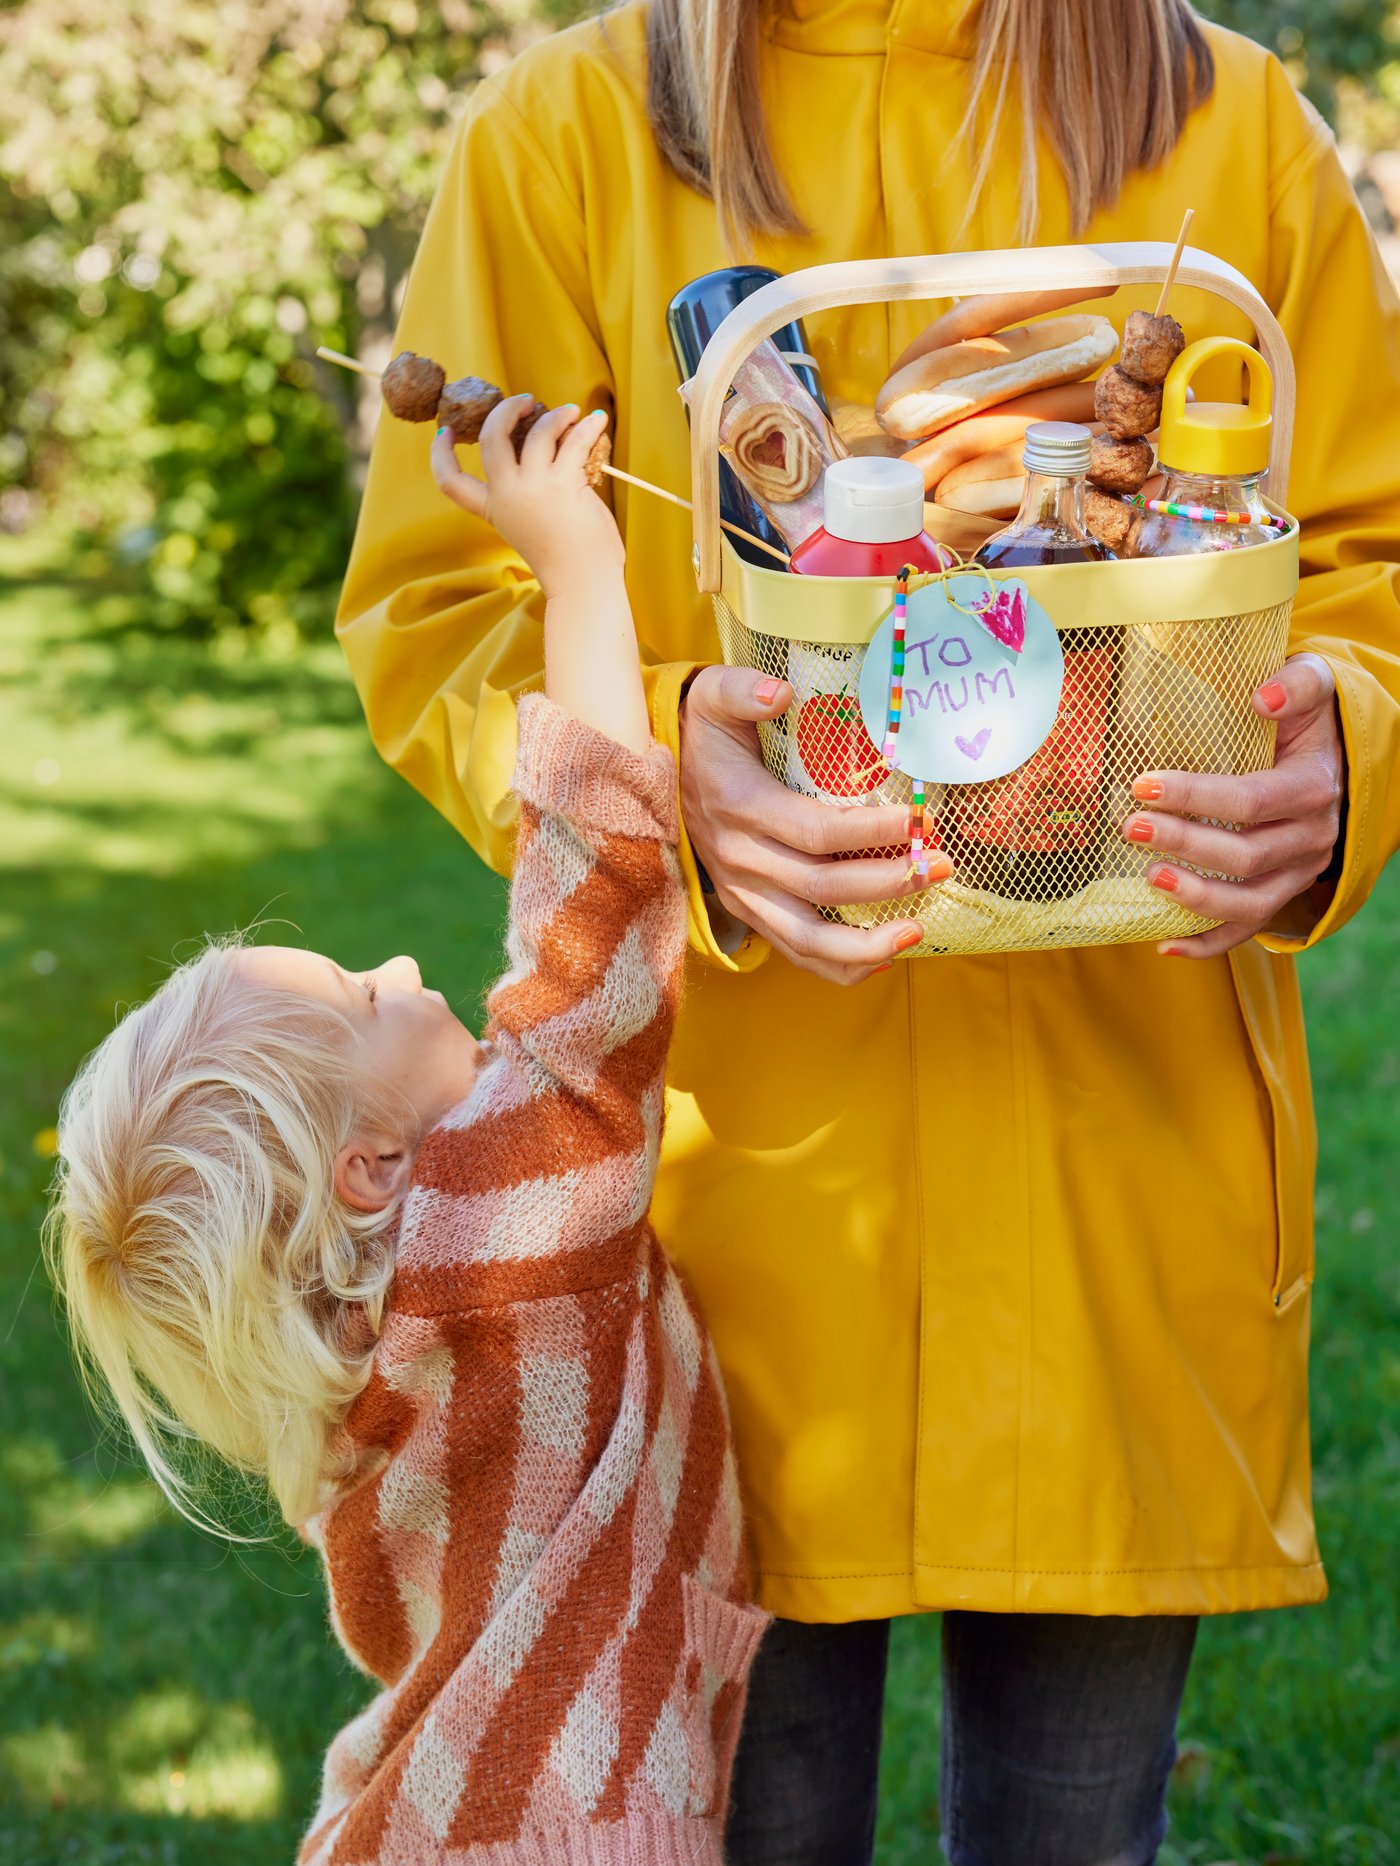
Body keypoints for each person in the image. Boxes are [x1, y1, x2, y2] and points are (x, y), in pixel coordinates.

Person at [335, 1, 1400, 1860]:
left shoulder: (1232, 122)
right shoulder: (564, 137)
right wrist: (665, 752)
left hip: (1116, 1204)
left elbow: (1376, 569)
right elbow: (443, 610)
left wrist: (1351, 749)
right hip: (720, 1251)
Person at [47, 400, 770, 1864]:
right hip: (583, 1825)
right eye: (359, 995)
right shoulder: (507, 1222)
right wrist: (576, 568)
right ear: (369, 1166)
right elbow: (600, 896)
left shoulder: (335, 1370)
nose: (394, 968)